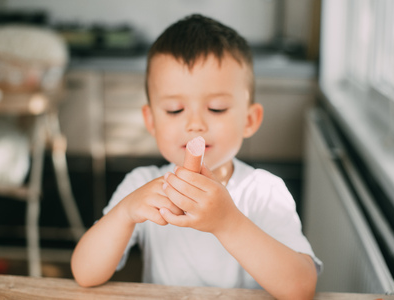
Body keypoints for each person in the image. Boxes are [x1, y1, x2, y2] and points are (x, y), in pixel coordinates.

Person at [71, 14, 322, 299]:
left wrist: (228, 222)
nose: (195, 124)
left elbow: (302, 287)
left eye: (216, 108)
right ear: (151, 121)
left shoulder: (265, 192)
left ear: (250, 120)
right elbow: (84, 273)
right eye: (175, 110)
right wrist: (125, 213)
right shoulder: (141, 185)